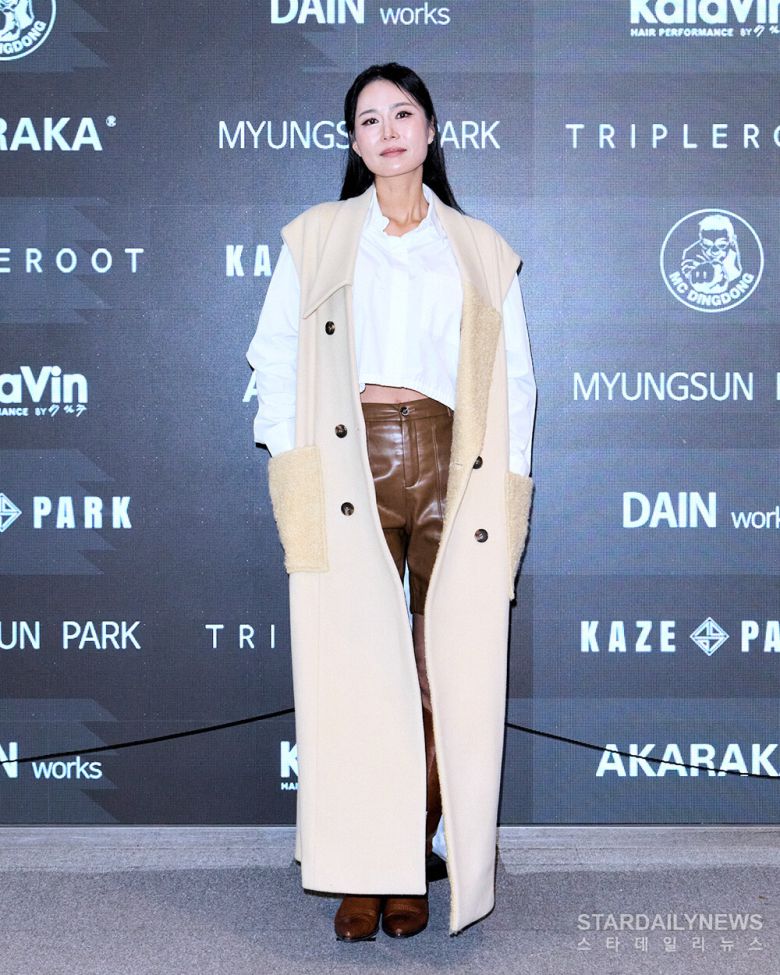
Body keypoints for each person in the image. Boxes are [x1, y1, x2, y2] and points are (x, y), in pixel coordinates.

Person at [246, 62, 536, 942]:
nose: (388, 130)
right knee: (354, 673)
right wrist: (293, 471)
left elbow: (517, 380)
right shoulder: (317, 237)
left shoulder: (480, 247)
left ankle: (411, 858)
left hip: (457, 465)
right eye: (369, 119)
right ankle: (362, 869)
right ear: (354, 140)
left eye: (402, 113)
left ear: (431, 128)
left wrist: (509, 497)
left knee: (444, 674)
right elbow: (273, 357)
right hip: (349, 465)